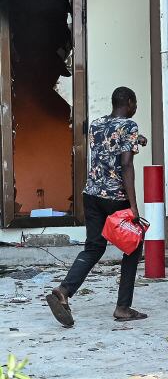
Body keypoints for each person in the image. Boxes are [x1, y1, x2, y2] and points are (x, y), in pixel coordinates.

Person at [46, 87, 148, 327]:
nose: (136, 108)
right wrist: (133, 206)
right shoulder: (129, 126)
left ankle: (64, 290)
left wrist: (137, 139)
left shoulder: (97, 124)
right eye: (136, 104)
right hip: (115, 197)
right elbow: (126, 164)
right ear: (130, 102)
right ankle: (123, 307)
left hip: (91, 195)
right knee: (133, 246)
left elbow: (111, 141)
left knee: (93, 247)